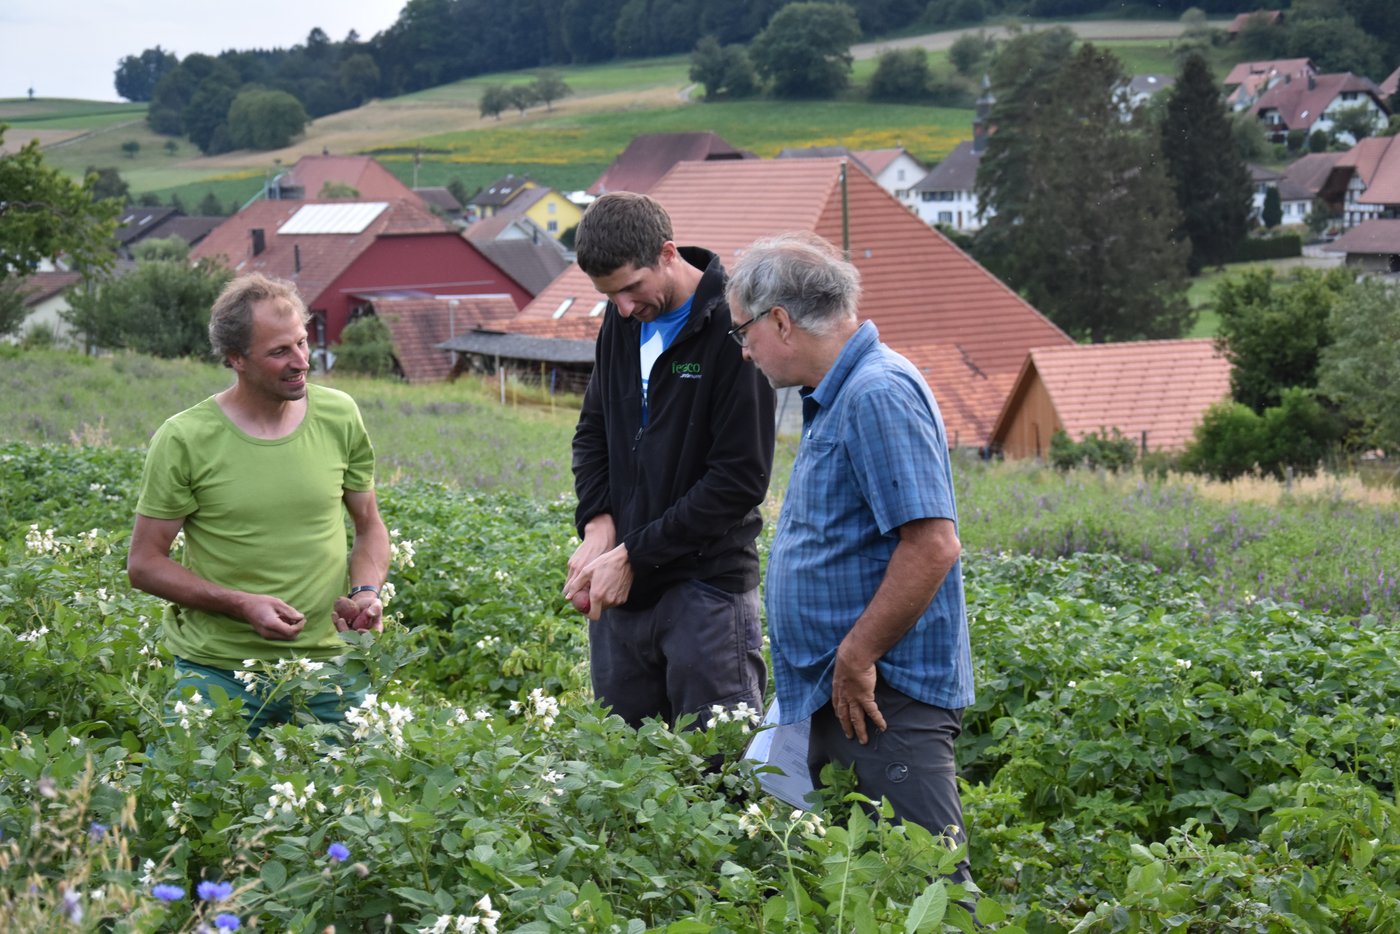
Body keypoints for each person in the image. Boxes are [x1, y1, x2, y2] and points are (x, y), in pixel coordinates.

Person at [726, 233, 976, 885]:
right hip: (847, 690)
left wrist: (858, 655)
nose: (744, 348)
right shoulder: (840, 393)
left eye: (743, 331)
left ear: (780, 320)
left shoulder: (876, 393)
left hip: (885, 696)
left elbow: (932, 545)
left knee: (932, 890)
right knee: (865, 887)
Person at [127, 273, 390, 733]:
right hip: (217, 671)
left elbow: (369, 524)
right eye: (279, 352)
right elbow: (145, 564)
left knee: (355, 802)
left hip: (329, 670)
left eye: (303, 343)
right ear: (236, 359)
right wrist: (238, 604)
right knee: (187, 800)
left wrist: (366, 592)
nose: (301, 361)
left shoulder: (339, 414)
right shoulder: (185, 439)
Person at [563, 191, 776, 730]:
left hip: (704, 594)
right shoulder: (624, 320)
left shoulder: (733, 326)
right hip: (622, 593)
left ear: (666, 253)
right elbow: (593, 431)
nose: (625, 308)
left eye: (632, 288)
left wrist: (634, 552)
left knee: (717, 776)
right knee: (626, 776)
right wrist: (598, 524)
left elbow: (739, 480)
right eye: (610, 296)